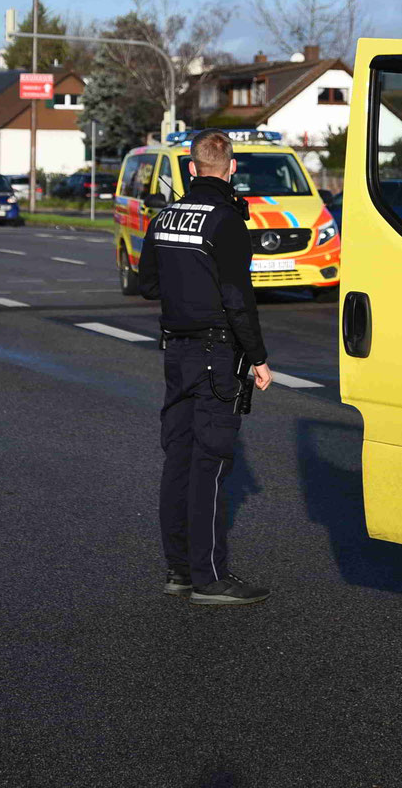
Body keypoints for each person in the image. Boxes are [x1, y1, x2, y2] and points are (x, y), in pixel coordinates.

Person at [138, 129, 274, 606]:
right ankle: (210, 577)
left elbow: (148, 285)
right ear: (231, 167)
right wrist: (257, 357)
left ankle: (178, 569)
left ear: (192, 168)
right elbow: (239, 299)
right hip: (218, 355)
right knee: (210, 463)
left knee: (178, 458)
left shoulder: (164, 217)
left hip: (176, 352)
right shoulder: (227, 221)